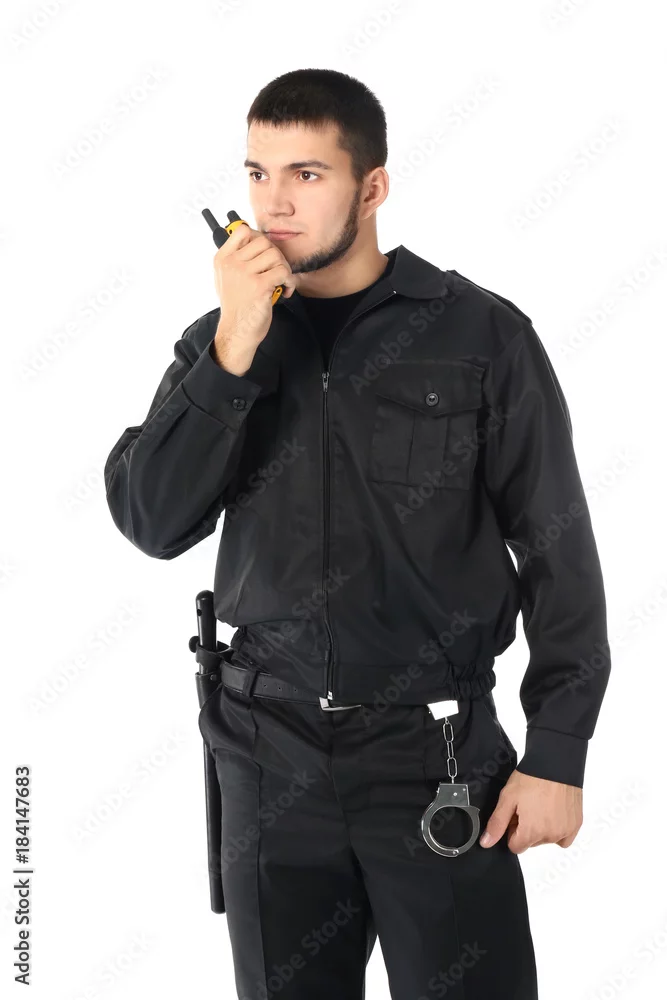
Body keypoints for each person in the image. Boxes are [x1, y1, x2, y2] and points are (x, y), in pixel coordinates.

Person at [104, 68, 611, 999]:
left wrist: (557, 753)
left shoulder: (480, 335)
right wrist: (232, 348)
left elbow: (559, 555)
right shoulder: (221, 341)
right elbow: (150, 521)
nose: (274, 204)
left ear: (370, 187)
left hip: (435, 758)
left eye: (306, 175)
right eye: (257, 174)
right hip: (265, 759)